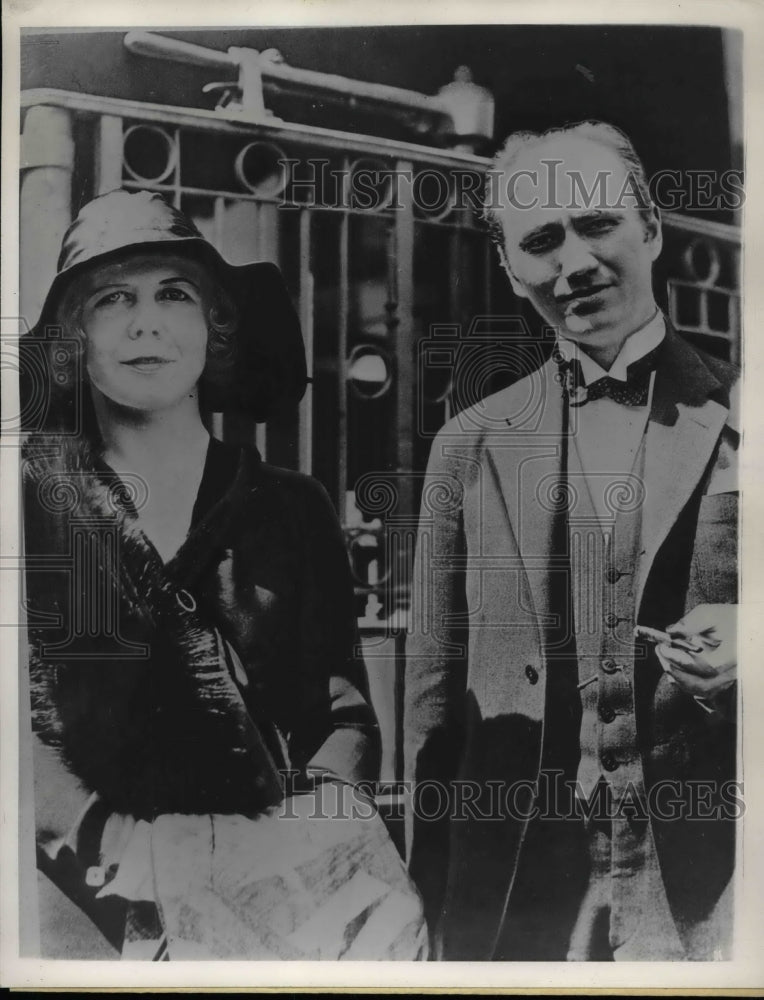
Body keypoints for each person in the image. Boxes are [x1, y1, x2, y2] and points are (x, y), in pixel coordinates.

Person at [21, 189, 427, 960]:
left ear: (216, 326)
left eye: (175, 295)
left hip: (269, 891)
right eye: (113, 300)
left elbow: (339, 713)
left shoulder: (291, 508)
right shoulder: (32, 507)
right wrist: (116, 848)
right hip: (79, 902)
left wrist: (311, 838)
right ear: (74, 337)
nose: (147, 322)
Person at [404, 121, 739, 961]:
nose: (575, 263)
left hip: (717, 887)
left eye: (597, 225)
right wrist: (433, 907)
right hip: (524, 892)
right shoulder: (469, 445)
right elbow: (434, 706)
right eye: (542, 242)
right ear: (514, 271)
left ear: (652, 229)